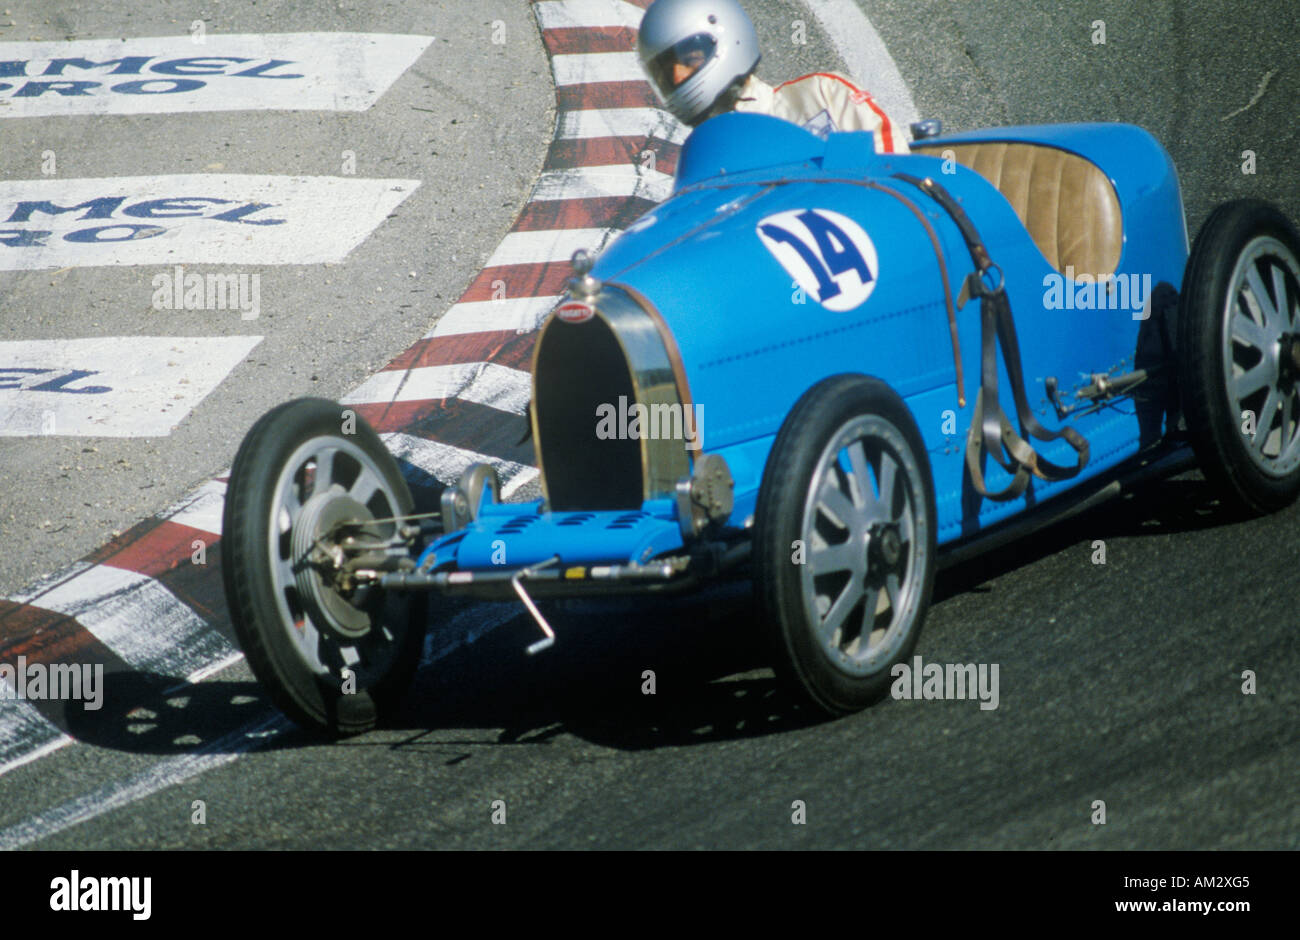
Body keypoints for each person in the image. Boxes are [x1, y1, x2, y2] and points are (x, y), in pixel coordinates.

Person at [636, 0, 910, 154]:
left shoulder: (821, 94)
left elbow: (894, 166)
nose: (679, 75)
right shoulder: (702, 161)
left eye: (689, 59)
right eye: (667, 72)